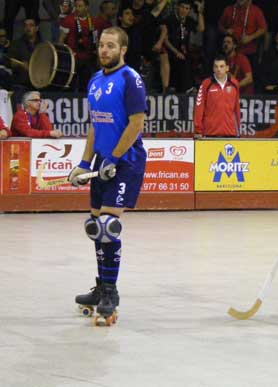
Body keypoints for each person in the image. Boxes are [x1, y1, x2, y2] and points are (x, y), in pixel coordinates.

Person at [68, 26, 147, 322]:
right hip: (102, 162)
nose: (104, 50)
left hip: (126, 160)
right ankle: (101, 286)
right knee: (95, 226)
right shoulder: (95, 80)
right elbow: (94, 125)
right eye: (101, 45)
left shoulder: (130, 79)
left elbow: (136, 123)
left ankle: (111, 292)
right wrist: (85, 164)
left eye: (111, 46)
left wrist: (114, 158)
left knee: (108, 225)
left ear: (123, 49)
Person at [59, 0, 106, 91]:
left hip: (88, 58)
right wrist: (66, 54)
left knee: (85, 84)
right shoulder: (68, 20)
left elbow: (96, 40)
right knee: (71, 84)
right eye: (76, 6)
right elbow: (61, 40)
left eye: (80, 6)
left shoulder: (94, 21)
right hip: (73, 59)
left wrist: (99, 58)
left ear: (87, 7)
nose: (77, 9)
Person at [194, 54, 240, 138]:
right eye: (216, 66)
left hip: (230, 132)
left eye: (221, 66)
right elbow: (199, 107)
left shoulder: (234, 84)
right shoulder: (206, 84)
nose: (218, 69)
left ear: (227, 68)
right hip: (210, 133)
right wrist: (198, 130)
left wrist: (238, 130)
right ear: (213, 68)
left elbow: (236, 108)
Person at [164, 0, 205, 94]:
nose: (184, 10)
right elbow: (165, 40)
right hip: (170, 50)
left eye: (187, 8)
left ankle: (186, 88)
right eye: (182, 7)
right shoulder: (170, 19)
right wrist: (176, 52)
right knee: (182, 60)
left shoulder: (188, 20)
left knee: (191, 59)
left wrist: (199, 12)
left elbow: (201, 28)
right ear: (177, 7)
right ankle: (187, 88)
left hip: (184, 51)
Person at [218, 0, 266, 75]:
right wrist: (226, 31)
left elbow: (263, 28)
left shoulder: (256, 10)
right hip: (230, 52)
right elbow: (220, 25)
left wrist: (250, 37)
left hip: (249, 50)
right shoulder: (228, 9)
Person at [8, 18, 42, 87]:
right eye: (25, 26)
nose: (28, 28)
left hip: (39, 82)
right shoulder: (16, 44)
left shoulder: (43, 45)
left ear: (36, 28)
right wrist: (18, 64)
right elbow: (9, 61)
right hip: (21, 83)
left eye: (31, 25)